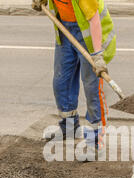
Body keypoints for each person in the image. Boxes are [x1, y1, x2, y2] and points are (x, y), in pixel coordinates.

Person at [32, 0, 116, 160]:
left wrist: (97, 55)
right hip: (65, 31)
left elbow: (94, 20)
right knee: (61, 83)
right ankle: (69, 128)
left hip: (90, 38)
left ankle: (95, 142)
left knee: (92, 89)